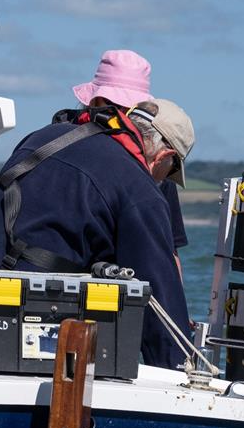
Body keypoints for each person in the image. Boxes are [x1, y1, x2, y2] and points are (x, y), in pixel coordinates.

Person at [0, 98, 195, 369]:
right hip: (21, 335)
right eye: (170, 173)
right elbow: (159, 293)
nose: (162, 181)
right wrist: (181, 371)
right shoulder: (139, 190)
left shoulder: (46, 136)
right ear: (164, 157)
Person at [70, 49, 189, 272]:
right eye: (116, 106)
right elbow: (171, 258)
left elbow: (170, 254)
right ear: (97, 101)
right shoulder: (155, 162)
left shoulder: (57, 144)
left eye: (126, 109)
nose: (120, 115)